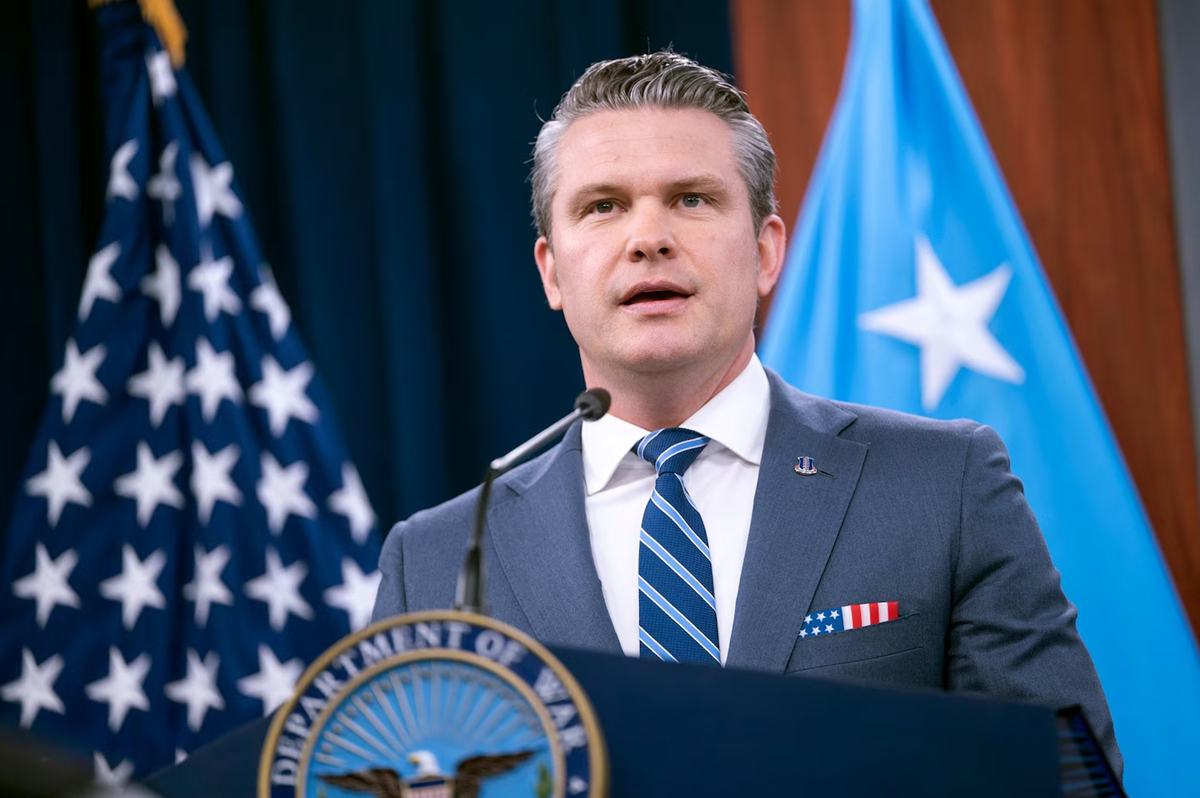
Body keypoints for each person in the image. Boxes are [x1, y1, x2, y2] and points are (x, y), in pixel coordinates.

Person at [372, 51, 1120, 773]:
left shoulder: (943, 484)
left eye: (692, 199)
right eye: (603, 207)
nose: (648, 239)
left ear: (765, 252)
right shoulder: (434, 560)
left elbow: (1056, 777)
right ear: (552, 272)